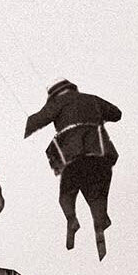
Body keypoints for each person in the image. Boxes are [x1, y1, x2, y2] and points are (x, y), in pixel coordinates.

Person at [23, 79, 122, 259]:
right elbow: (116, 113)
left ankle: (72, 219)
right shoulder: (92, 99)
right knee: (97, 194)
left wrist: (26, 127)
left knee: (67, 193)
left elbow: (36, 121)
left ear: (53, 94)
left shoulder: (57, 103)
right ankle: (100, 224)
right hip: (101, 154)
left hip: (74, 158)